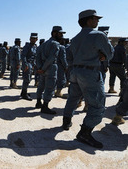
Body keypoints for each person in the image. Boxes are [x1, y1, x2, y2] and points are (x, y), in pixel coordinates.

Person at [62, 9, 114, 149]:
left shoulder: (75, 39)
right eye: (96, 19)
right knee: (97, 105)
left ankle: (66, 121)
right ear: (89, 20)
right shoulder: (98, 35)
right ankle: (85, 132)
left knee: (73, 98)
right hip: (90, 73)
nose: (98, 21)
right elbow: (109, 53)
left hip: (75, 72)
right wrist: (103, 55)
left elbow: (70, 58)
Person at [35, 26, 64, 114]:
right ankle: (45, 106)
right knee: (50, 87)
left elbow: (38, 57)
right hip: (50, 68)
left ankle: (38, 102)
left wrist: (40, 68)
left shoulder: (44, 44)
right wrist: (43, 69)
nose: (62, 35)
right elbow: (52, 58)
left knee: (41, 86)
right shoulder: (55, 44)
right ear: (54, 33)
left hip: (43, 68)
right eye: (60, 33)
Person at [21, 33, 38, 100]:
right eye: (32, 38)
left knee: (28, 79)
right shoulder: (27, 46)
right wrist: (25, 65)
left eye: (34, 38)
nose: (33, 40)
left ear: (37, 39)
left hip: (31, 64)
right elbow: (23, 56)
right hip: (27, 64)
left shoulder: (35, 47)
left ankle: (23, 92)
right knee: (27, 79)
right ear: (30, 39)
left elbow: (34, 57)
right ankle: (24, 94)